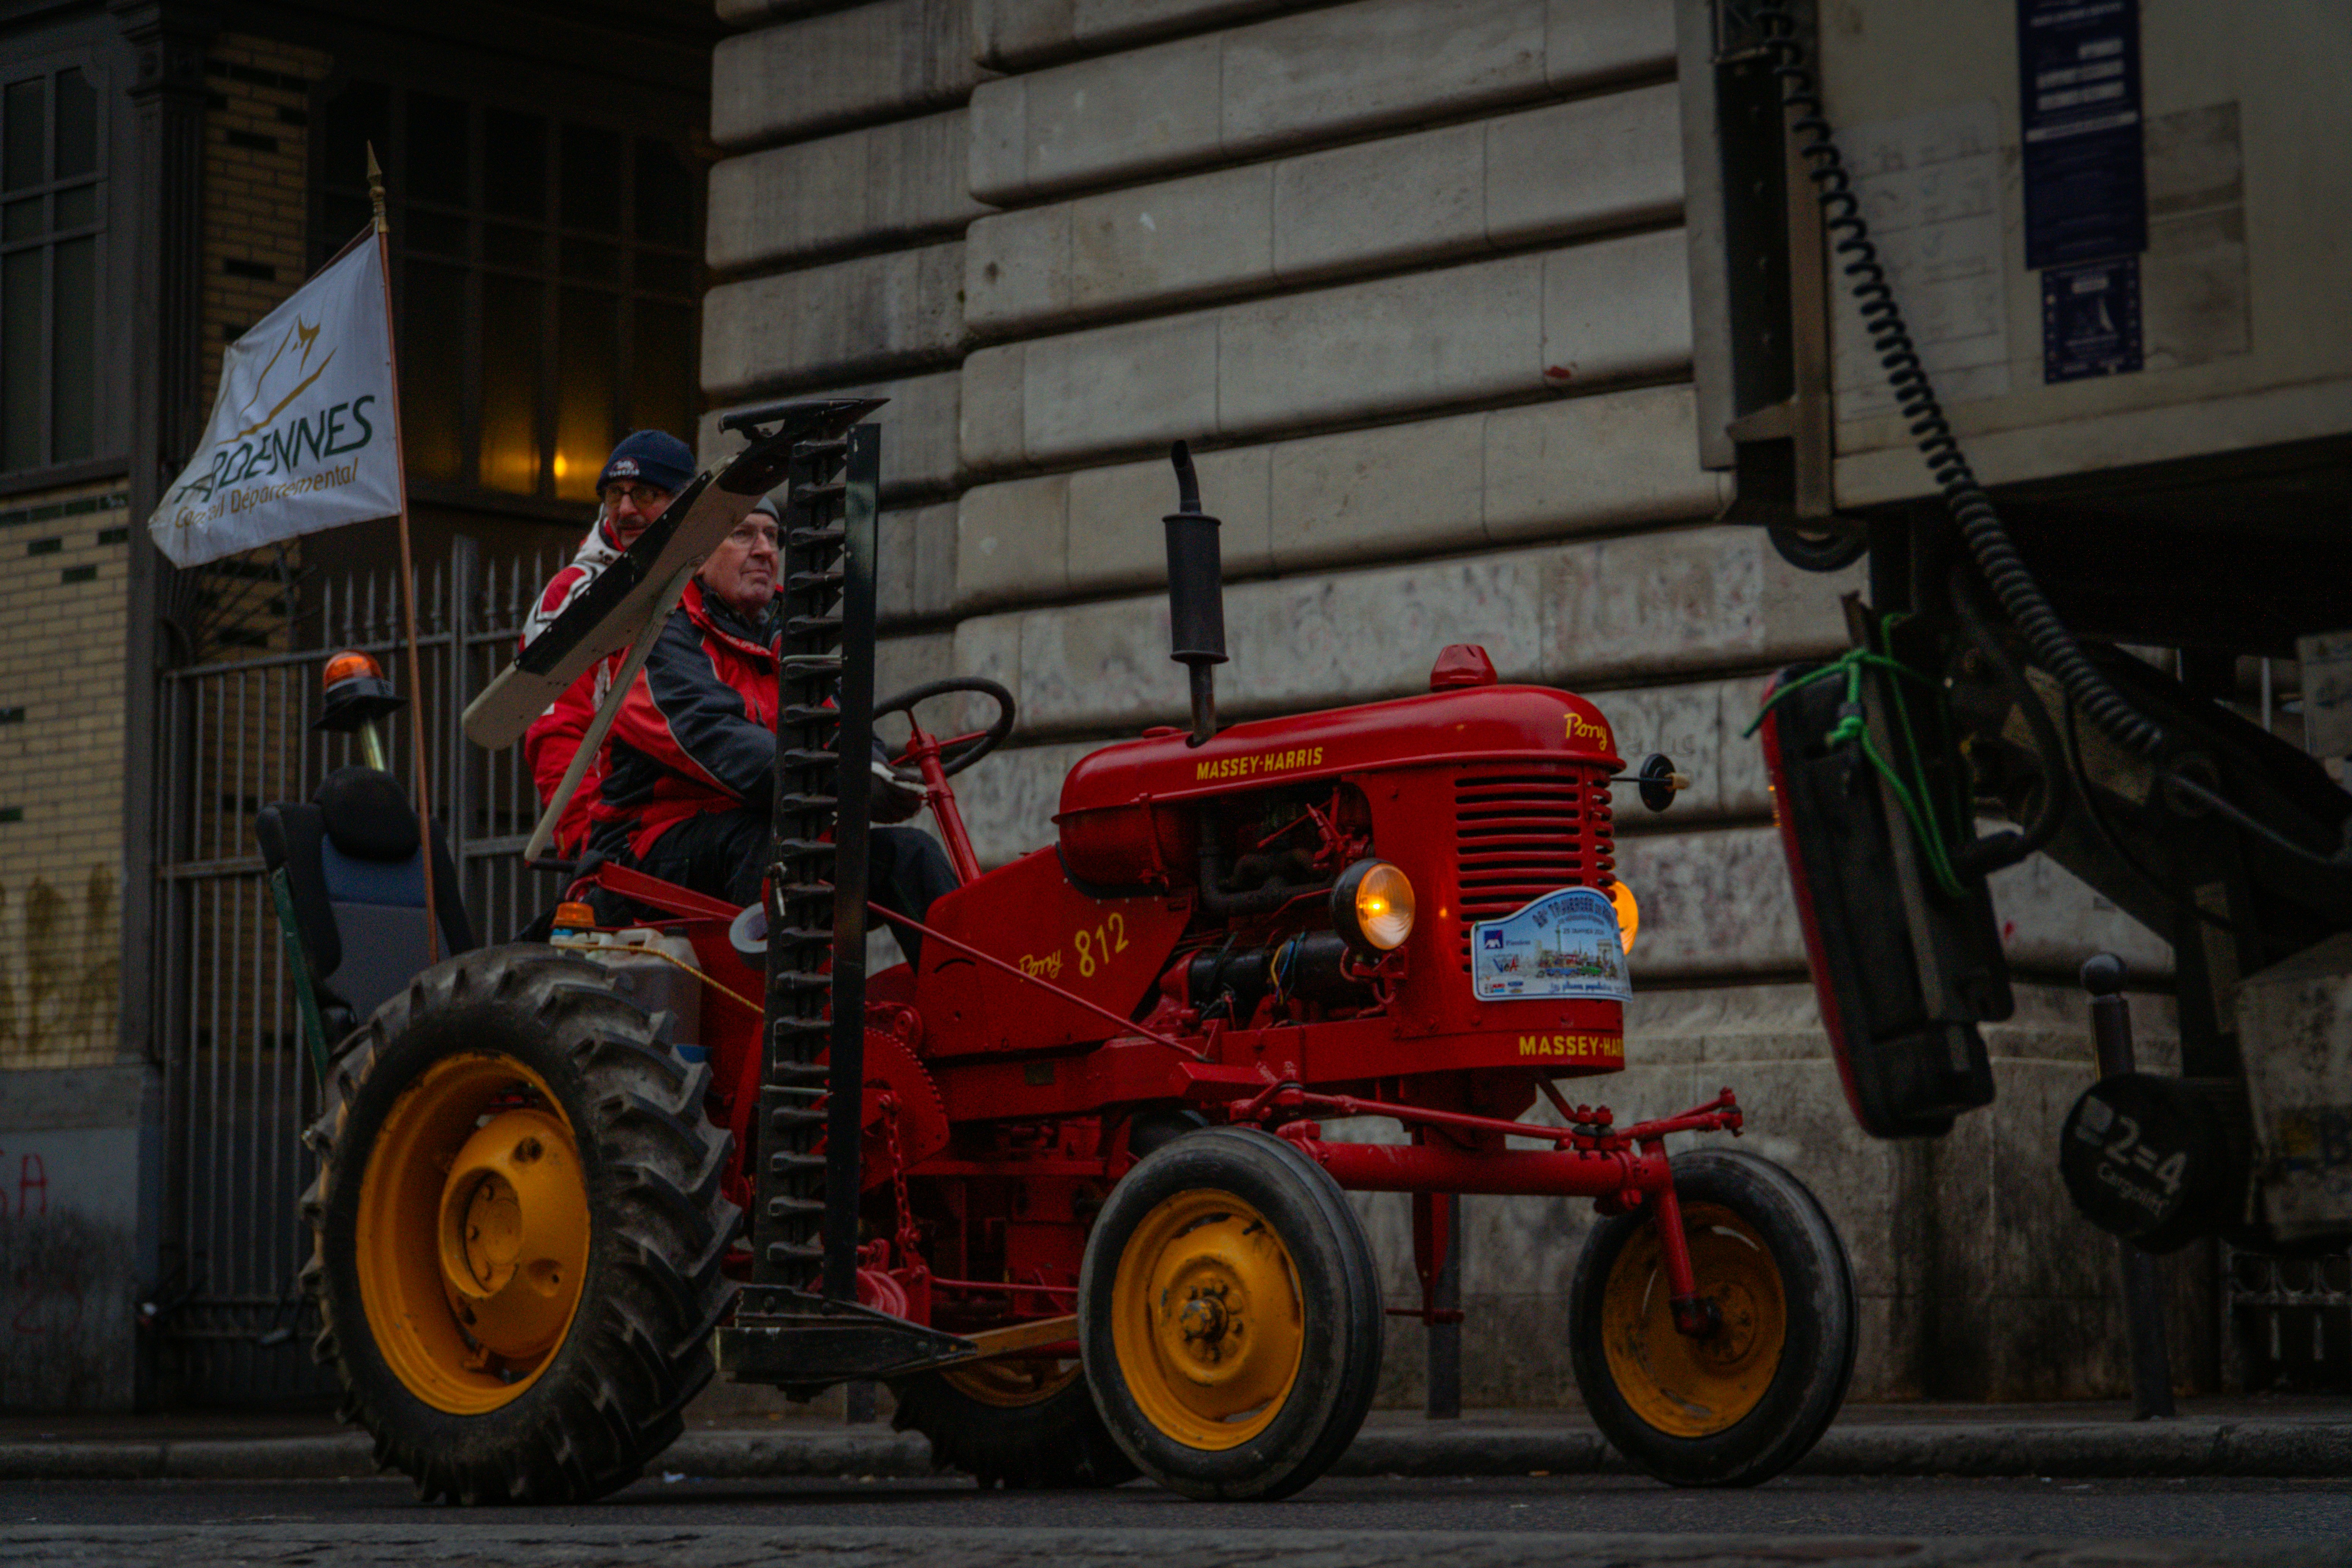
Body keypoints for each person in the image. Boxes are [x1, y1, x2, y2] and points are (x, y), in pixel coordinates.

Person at [583, 504, 955, 960]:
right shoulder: (654, 633)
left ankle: (967, 1001)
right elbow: (712, 738)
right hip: (646, 847)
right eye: (743, 535)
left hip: (769, 825)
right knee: (771, 846)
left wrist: (874, 770)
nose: (764, 551)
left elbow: (839, 724)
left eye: (772, 537)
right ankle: (783, 1021)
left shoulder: (790, 636)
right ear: (697, 556)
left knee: (911, 855)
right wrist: (839, 778)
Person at [520, 430, 699, 858]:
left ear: (685, 501)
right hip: (620, 838)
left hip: (707, 822)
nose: (625, 510)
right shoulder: (573, 596)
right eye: (614, 495)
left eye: (643, 493)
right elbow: (556, 731)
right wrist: (587, 837)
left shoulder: (714, 581)